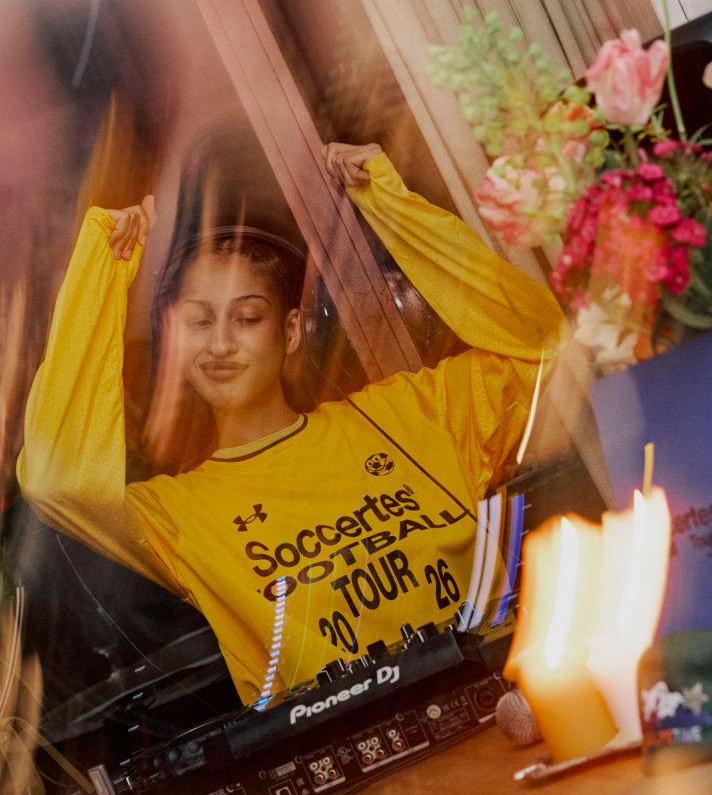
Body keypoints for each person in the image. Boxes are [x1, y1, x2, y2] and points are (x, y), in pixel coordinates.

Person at [17, 142, 569, 705]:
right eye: (199, 323)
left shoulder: (411, 415)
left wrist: (386, 202)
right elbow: (56, 481)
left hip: (512, 702)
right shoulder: (180, 517)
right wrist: (104, 270)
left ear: (290, 331)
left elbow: (535, 342)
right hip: (346, 743)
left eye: (246, 318)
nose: (220, 344)